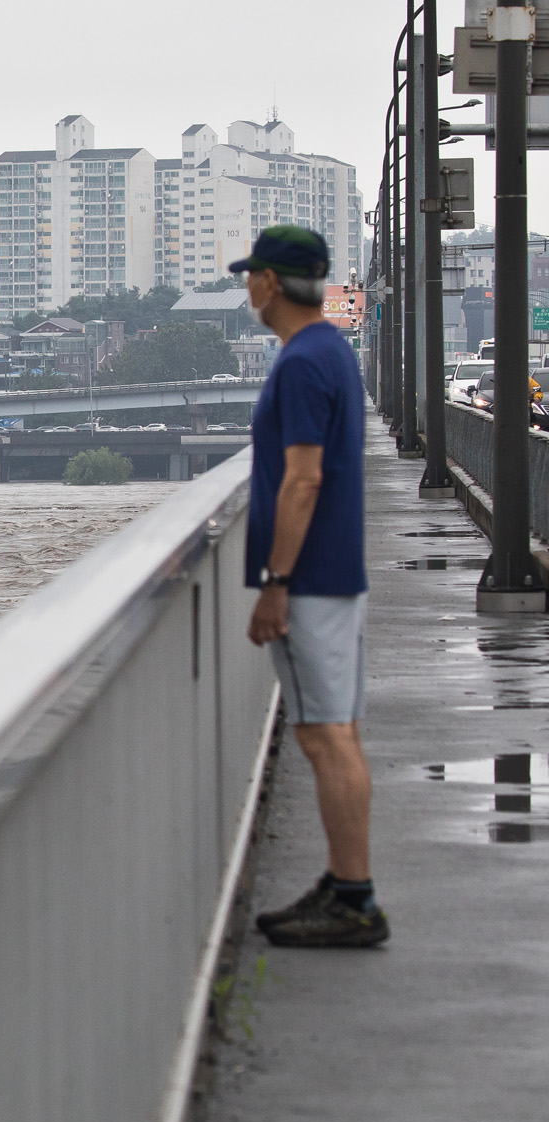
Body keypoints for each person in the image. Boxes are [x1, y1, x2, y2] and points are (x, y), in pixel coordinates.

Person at [233, 225, 388, 947]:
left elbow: (303, 477)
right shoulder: (333, 351)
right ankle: (343, 879)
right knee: (339, 729)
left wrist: (276, 582)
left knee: (325, 736)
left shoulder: (300, 363)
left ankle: (354, 897)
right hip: (338, 573)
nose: (246, 289)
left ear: (270, 282)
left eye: (250, 276)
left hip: (312, 581)